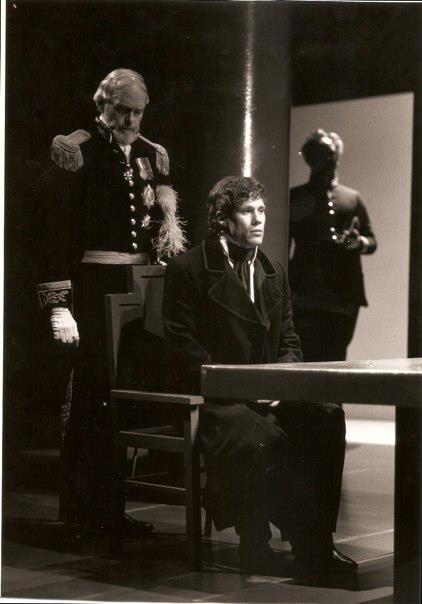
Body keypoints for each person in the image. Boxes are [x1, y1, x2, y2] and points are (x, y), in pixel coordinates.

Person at [162, 175, 357, 578]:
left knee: (326, 415)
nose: (258, 220)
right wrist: (243, 386)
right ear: (222, 219)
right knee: (260, 436)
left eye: (262, 210)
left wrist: (278, 384)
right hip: (219, 398)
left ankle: (316, 540)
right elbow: (181, 347)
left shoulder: (273, 271)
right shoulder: (189, 269)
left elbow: (290, 341)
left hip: (269, 392)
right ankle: (264, 542)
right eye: (247, 211)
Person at [36, 68, 186, 538]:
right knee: (91, 400)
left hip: (140, 287)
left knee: (123, 400)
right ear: (102, 105)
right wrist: (59, 304)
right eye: (122, 111)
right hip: (93, 285)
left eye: (138, 113)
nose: (130, 121)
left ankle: (111, 510)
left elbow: (161, 229)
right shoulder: (76, 150)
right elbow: (53, 233)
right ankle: (82, 514)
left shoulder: (152, 155)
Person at [289, 129, 377, 361]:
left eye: (330, 153)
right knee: (306, 358)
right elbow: (282, 245)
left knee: (336, 358)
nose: (327, 159)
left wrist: (358, 243)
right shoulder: (296, 197)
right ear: (309, 157)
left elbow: (371, 241)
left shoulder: (352, 198)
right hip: (305, 296)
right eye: (320, 153)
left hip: (343, 296)